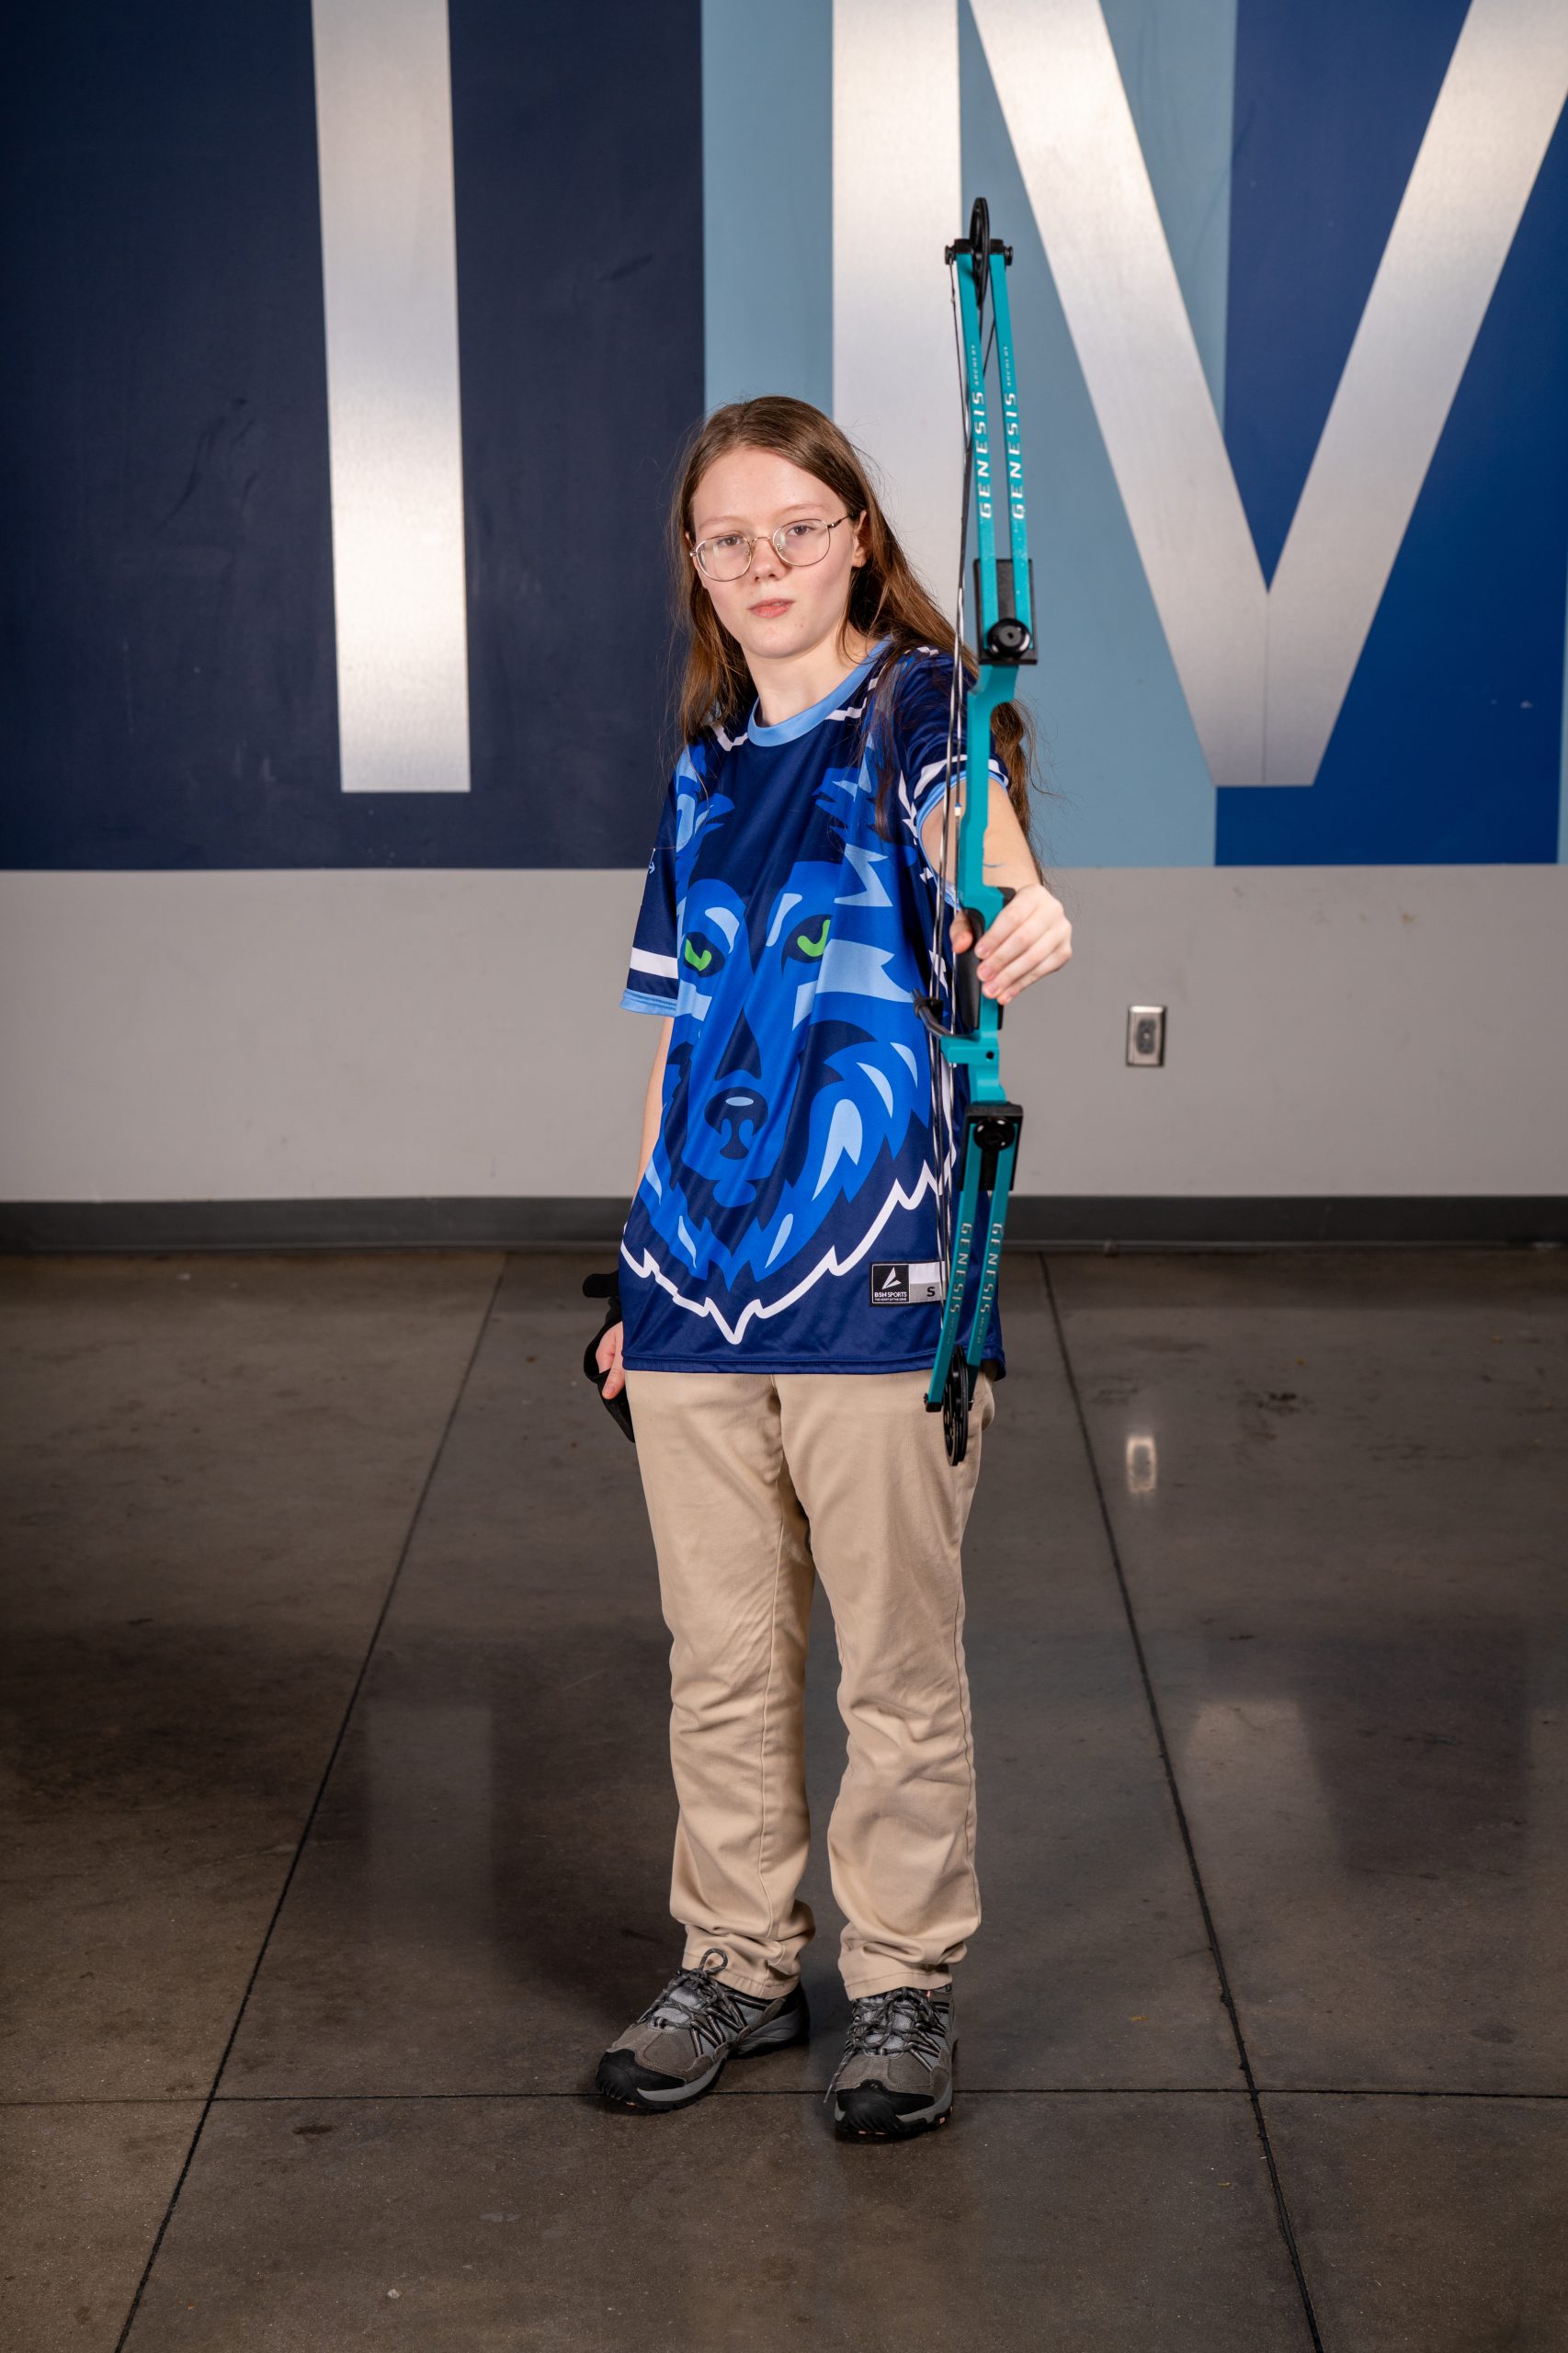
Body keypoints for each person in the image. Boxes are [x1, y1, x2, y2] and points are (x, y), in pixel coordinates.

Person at [591, 395, 1072, 2140]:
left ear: (858, 536)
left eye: (796, 527)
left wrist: (1022, 905)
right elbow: (677, 1039)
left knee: (892, 1668)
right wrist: (634, 1275)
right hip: (695, 1291)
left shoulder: (922, 709)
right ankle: (736, 1960)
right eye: (727, 538)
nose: (764, 562)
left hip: (881, 1294)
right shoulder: (706, 765)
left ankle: (901, 1987)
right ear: (697, 568)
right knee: (717, 1662)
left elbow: (980, 849)